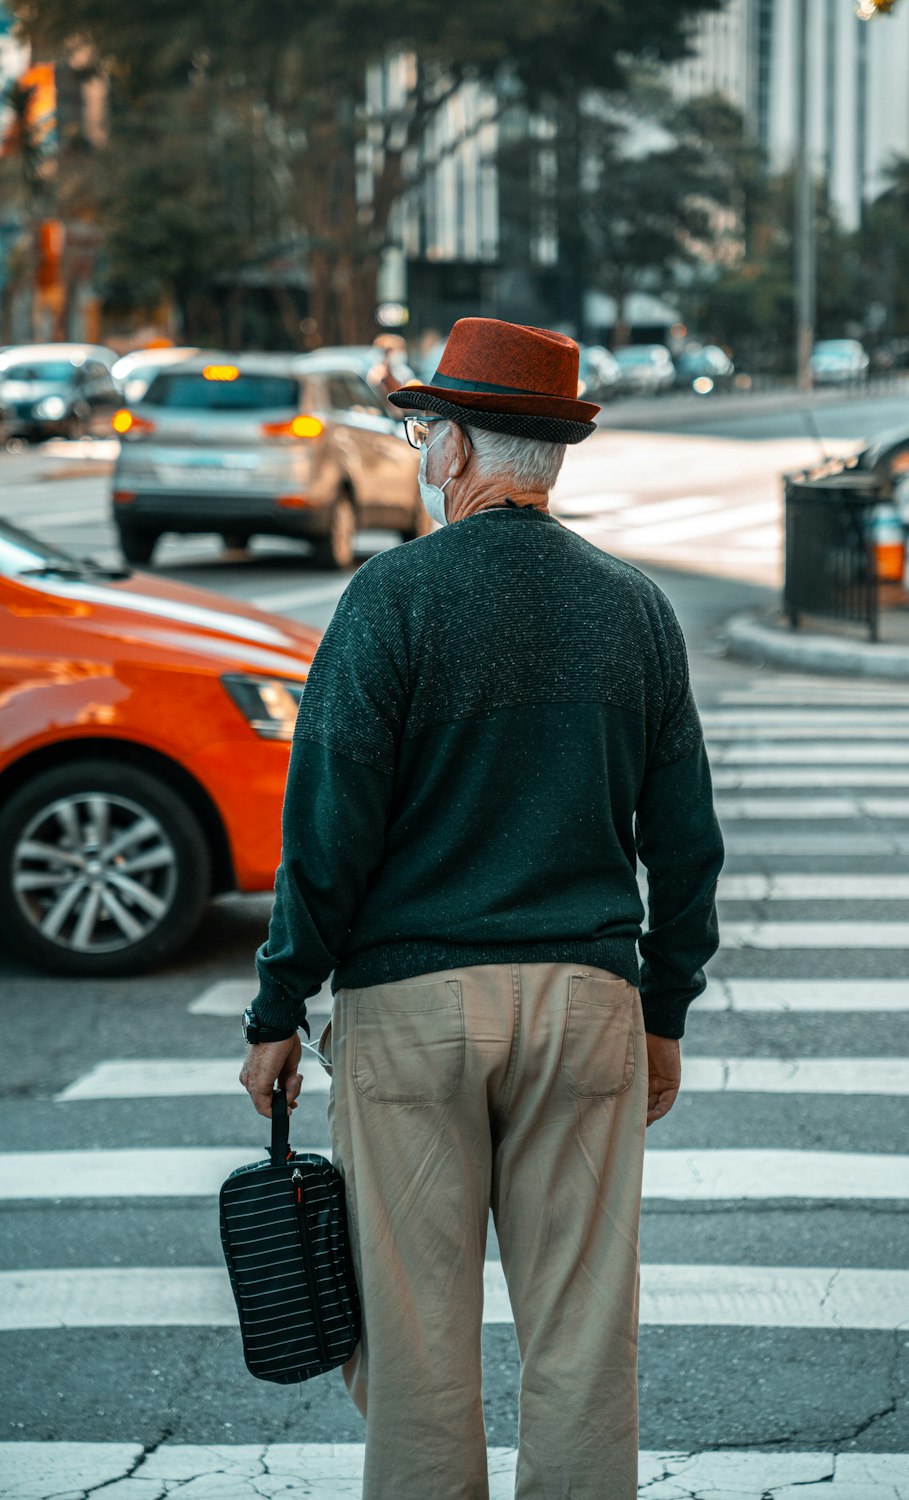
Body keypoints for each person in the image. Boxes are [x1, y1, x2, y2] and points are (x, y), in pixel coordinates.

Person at [239, 317, 724, 1500]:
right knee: (580, 1340)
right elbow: (687, 847)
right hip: (586, 1005)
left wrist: (278, 1005)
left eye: (422, 431)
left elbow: (326, 835)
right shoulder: (634, 609)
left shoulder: (390, 600)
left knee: (415, 1355)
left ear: (455, 450)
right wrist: (662, 1008)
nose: (419, 451)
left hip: (411, 1014)